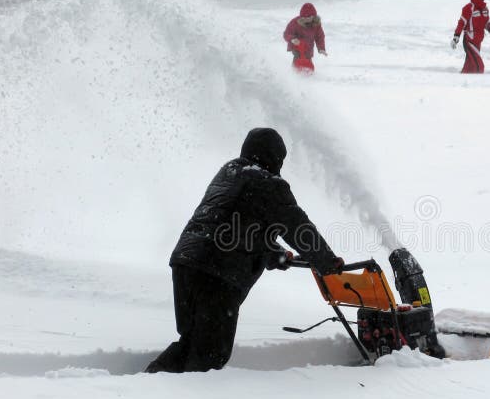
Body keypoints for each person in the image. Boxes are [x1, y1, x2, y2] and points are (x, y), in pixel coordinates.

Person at [146, 128, 343, 373]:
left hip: (186, 263)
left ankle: (150, 385)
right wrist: (327, 261)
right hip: (216, 273)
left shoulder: (229, 173)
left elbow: (239, 225)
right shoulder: (269, 183)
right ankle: (162, 393)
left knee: (192, 343)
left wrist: (276, 255)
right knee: (210, 356)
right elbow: (295, 225)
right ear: (274, 157)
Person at [451, 0, 490, 74]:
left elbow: (486, 23)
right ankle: (479, 80)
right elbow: (461, 23)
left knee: (470, 66)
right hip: (469, 41)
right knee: (479, 67)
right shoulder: (469, 8)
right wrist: (456, 37)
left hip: (478, 42)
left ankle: (461, 78)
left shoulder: (485, 9)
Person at [283, 3, 327, 70]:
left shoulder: (316, 24)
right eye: (304, 17)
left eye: (309, 17)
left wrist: (321, 48)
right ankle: (294, 72)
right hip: (296, 45)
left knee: (307, 57)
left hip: (309, 46)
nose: (306, 19)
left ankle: (309, 73)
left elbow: (319, 37)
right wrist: (292, 39)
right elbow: (287, 33)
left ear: (313, 16)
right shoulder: (295, 22)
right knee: (298, 57)